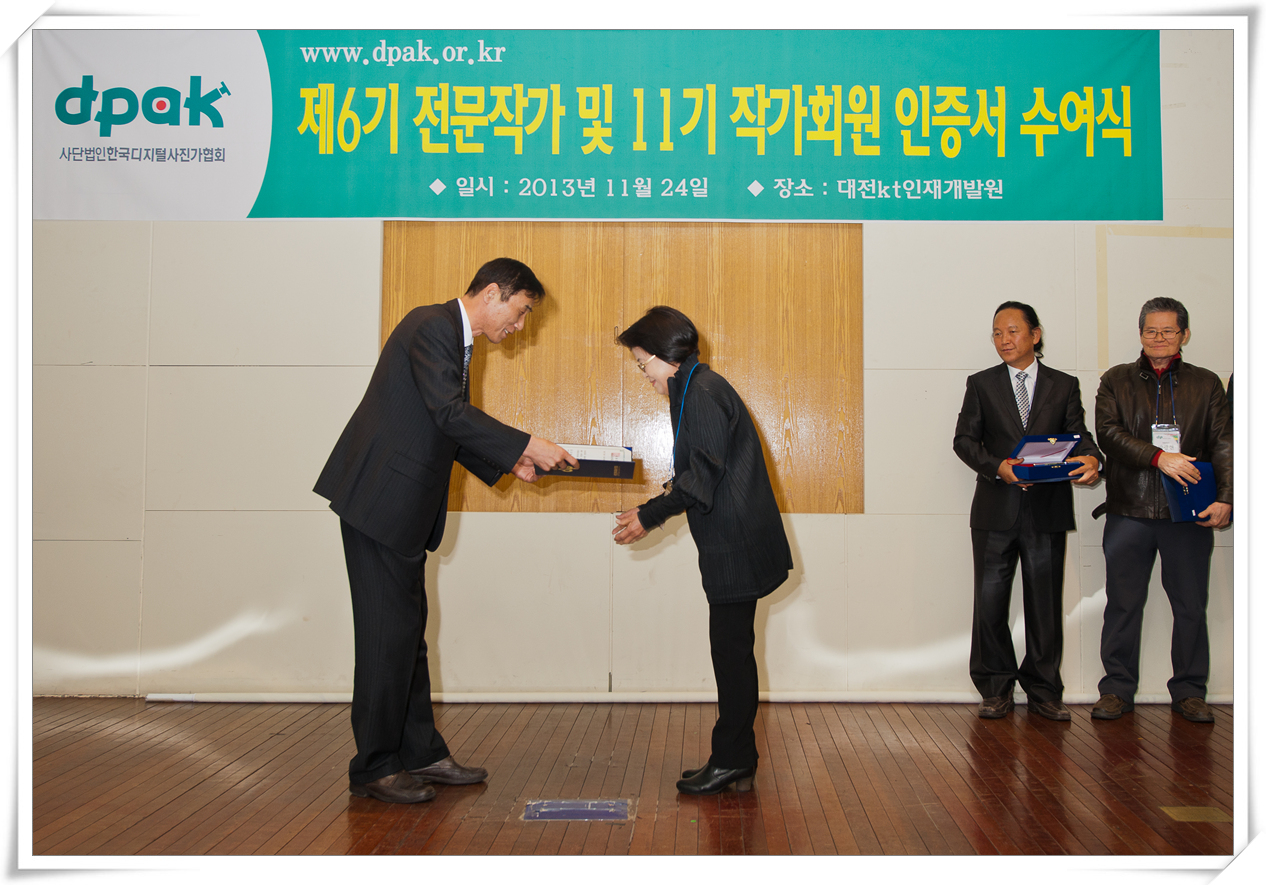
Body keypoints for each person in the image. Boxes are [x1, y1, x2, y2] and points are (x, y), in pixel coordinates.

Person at [313, 257, 577, 803]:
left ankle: (421, 754)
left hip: (397, 509)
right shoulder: (431, 325)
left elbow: (447, 428)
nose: (519, 326)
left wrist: (510, 461)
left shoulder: (455, 340)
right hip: (380, 504)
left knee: (405, 634)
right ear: (493, 293)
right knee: (387, 637)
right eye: (521, 312)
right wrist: (528, 444)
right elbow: (450, 415)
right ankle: (374, 767)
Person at [612, 306, 792, 795]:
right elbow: (700, 471)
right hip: (730, 540)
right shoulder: (695, 388)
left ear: (665, 354)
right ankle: (737, 758)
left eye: (643, 362)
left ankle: (732, 760)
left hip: (737, 544)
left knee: (731, 655)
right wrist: (654, 507)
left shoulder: (703, 393)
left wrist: (649, 515)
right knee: (733, 652)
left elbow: (702, 475)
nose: (644, 373)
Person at [953, 302, 1102, 721]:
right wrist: (998, 467)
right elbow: (964, 441)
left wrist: (1092, 460)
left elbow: (1079, 437)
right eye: (997, 333)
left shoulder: (1063, 384)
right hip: (994, 510)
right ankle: (995, 687)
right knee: (989, 603)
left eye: (1013, 331)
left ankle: (1044, 690)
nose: (1004, 340)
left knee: (1045, 605)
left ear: (1035, 335)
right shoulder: (981, 384)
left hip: (1046, 510)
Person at [1092, 297, 1231, 724]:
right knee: (1122, 604)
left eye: (1168, 331)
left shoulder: (1206, 384)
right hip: (1128, 510)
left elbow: (1223, 442)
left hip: (1188, 513)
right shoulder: (1115, 380)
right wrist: (1158, 457)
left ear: (1184, 335)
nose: (1158, 338)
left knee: (1190, 606)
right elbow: (1108, 434)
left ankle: (1189, 691)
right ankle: (1116, 690)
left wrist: (1226, 497)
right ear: (1140, 334)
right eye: (1150, 330)